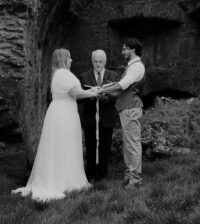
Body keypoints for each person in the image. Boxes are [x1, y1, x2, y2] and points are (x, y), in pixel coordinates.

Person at [12, 48, 97, 202]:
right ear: (63, 59)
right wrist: (93, 93)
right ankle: (63, 181)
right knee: (64, 145)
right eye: (69, 57)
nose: (71, 60)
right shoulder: (62, 74)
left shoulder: (59, 74)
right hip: (63, 114)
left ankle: (68, 179)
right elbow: (75, 92)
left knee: (64, 146)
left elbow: (75, 91)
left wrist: (91, 90)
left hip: (63, 111)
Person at [99, 38, 145, 190]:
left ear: (133, 49)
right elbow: (120, 89)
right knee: (128, 144)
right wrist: (106, 91)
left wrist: (102, 89)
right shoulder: (131, 66)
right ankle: (129, 175)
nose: (122, 51)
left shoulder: (136, 67)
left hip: (131, 108)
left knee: (133, 144)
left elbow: (122, 85)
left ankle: (136, 179)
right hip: (126, 108)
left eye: (125, 49)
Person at [80, 49, 118, 181]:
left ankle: (102, 174)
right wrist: (91, 95)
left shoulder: (113, 76)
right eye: (95, 61)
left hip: (106, 116)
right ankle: (90, 174)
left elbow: (116, 97)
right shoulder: (84, 76)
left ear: (105, 61)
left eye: (100, 61)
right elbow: (80, 97)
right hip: (90, 116)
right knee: (90, 145)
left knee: (105, 146)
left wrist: (105, 98)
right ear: (92, 61)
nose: (98, 64)